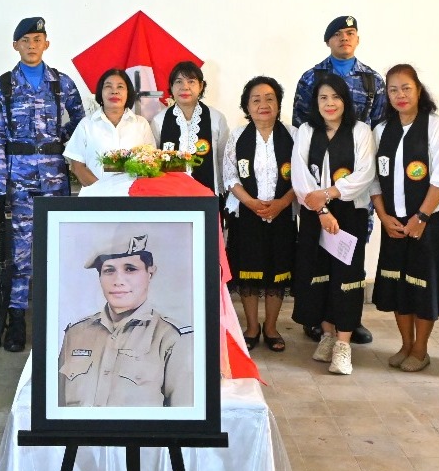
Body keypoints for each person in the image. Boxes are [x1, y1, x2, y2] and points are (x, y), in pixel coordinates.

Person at [0, 17, 84, 352]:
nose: (32, 45)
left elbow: (81, 129)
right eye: (25, 39)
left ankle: (59, 318)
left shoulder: (63, 84)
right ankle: (16, 320)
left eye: (38, 39)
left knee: (58, 250)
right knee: (20, 254)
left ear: (47, 44)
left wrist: (70, 155)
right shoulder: (4, 86)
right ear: (15, 45)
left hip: (56, 181)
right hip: (19, 182)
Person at [292, 14, 385, 345]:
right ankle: (319, 319)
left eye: (351, 33)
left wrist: (333, 192)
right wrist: (317, 197)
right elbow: (300, 125)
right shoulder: (310, 77)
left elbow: (378, 132)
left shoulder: (374, 80)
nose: (345, 38)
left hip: (353, 189)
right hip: (317, 187)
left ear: (357, 39)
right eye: (338, 34)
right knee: (318, 257)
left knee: (350, 258)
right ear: (327, 40)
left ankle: (349, 319)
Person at [370, 64, 439, 373]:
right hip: (394, 222)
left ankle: (421, 348)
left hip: (429, 221)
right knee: (397, 285)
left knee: (423, 285)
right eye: (393, 90)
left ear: (418, 90)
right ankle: (405, 343)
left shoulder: (435, 126)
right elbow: (373, 181)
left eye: (406, 88)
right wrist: (383, 216)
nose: (400, 95)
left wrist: (421, 216)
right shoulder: (380, 131)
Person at [291, 74, 375, 375]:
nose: (329, 103)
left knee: (347, 278)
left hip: (349, 213)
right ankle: (326, 334)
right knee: (318, 274)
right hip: (316, 214)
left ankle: (343, 344)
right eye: (323, 97)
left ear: (345, 100)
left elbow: (365, 172)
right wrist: (323, 209)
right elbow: (300, 174)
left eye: (335, 97)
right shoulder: (306, 130)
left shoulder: (361, 131)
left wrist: (329, 194)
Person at [58, 235, 193, 407]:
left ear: (150, 272)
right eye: (109, 270)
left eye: (130, 269)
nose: (118, 281)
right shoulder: (76, 334)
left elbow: (185, 422)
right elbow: (57, 412)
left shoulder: (172, 339)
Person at [222, 76, 296, 352]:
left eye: (269, 98)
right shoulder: (238, 136)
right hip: (247, 214)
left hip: (283, 214)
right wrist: (251, 203)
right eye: (256, 100)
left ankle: (271, 327)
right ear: (247, 106)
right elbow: (230, 177)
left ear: (278, 103)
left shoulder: (293, 135)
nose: (263, 104)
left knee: (277, 273)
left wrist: (281, 203)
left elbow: (301, 178)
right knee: (249, 273)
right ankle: (252, 327)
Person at [64, 68, 154, 189]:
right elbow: (77, 166)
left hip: (133, 198)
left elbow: (151, 164)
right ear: (100, 92)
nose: (114, 92)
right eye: (108, 86)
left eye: (120, 87)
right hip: (96, 199)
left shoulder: (141, 124)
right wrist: (103, 191)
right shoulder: (86, 124)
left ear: (128, 92)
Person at [151, 61, 228, 196]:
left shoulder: (216, 118)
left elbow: (224, 160)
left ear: (201, 85)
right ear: (171, 86)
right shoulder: (159, 120)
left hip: (208, 196)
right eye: (179, 82)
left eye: (191, 81)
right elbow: (154, 162)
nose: (185, 87)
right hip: (170, 196)